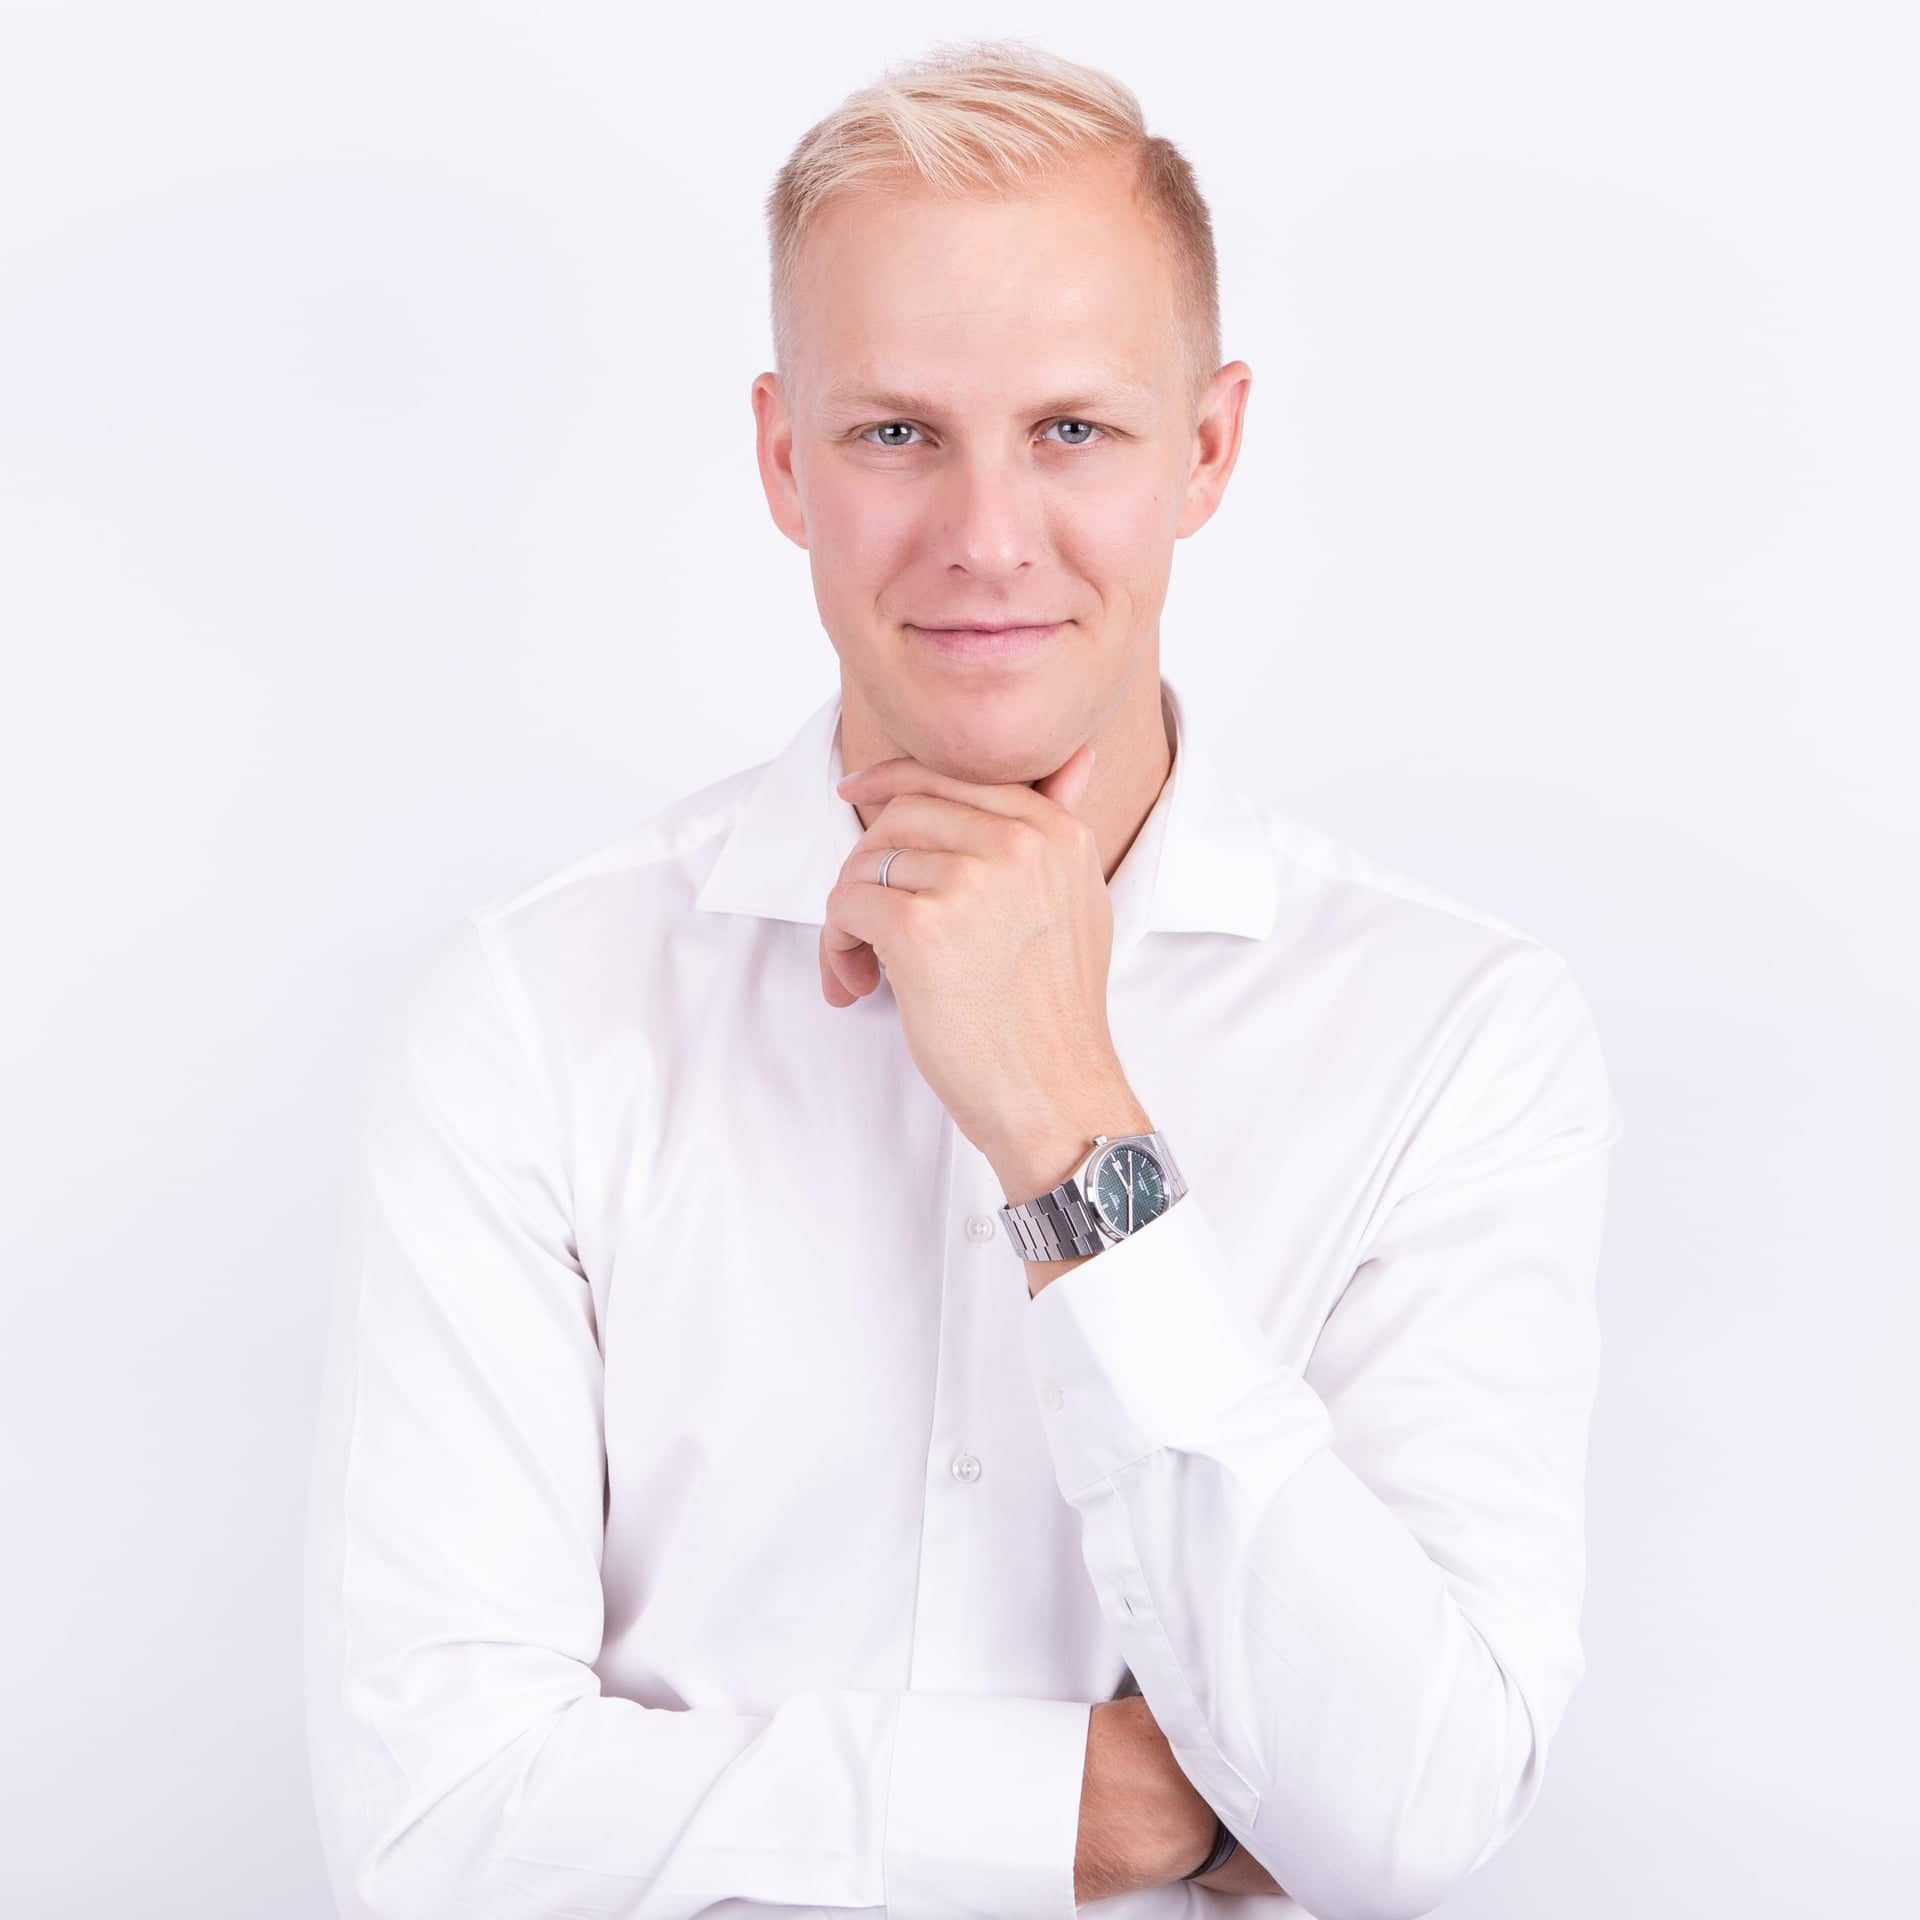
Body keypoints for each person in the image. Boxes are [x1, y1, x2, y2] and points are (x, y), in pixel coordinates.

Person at [303, 36, 1624, 1920]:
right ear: (784, 456)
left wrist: (1061, 1111)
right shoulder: (539, 1012)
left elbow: (1407, 1813)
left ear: (1211, 448)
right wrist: (1078, 1805)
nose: (987, 537)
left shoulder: (1457, 1036)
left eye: (1072, 429)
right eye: (896, 431)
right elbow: (435, 1833)